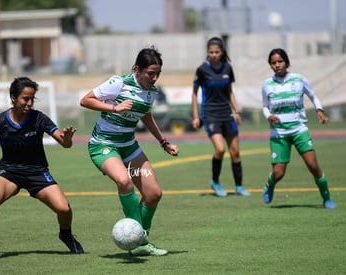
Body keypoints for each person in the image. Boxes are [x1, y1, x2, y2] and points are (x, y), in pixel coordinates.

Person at [0, 77, 84, 263]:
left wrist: (68, 138)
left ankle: (66, 235)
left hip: (37, 172)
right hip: (9, 172)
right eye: (25, 99)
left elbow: (64, 143)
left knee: (64, 208)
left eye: (32, 99)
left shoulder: (39, 118)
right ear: (13, 98)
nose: (29, 103)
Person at [80, 46, 179, 256]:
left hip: (128, 146)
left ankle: (140, 241)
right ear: (137, 69)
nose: (154, 78)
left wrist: (164, 142)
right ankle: (141, 239)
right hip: (103, 145)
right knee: (124, 181)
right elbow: (86, 100)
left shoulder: (151, 91)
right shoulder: (119, 82)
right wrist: (114, 108)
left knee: (153, 194)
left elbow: (146, 115)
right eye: (150, 73)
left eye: (157, 74)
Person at [261, 48, 336, 209]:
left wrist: (319, 110)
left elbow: (313, 96)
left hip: (299, 130)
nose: (277, 65)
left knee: (313, 166)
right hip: (279, 133)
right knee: (279, 173)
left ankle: (327, 199)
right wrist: (268, 116)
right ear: (270, 66)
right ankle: (269, 184)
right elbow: (265, 106)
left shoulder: (299, 79)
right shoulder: (267, 85)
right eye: (273, 63)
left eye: (280, 61)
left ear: (287, 62)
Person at [191, 37, 250, 197]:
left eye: (217, 52)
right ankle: (215, 182)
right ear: (207, 53)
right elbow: (194, 94)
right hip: (210, 114)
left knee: (235, 151)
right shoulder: (202, 70)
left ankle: (239, 186)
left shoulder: (227, 68)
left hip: (227, 114)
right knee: (220, 149)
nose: (214, 54)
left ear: (222, 52)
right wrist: (196, 116)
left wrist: (236, 111)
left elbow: (230, 91)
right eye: (211, 52)